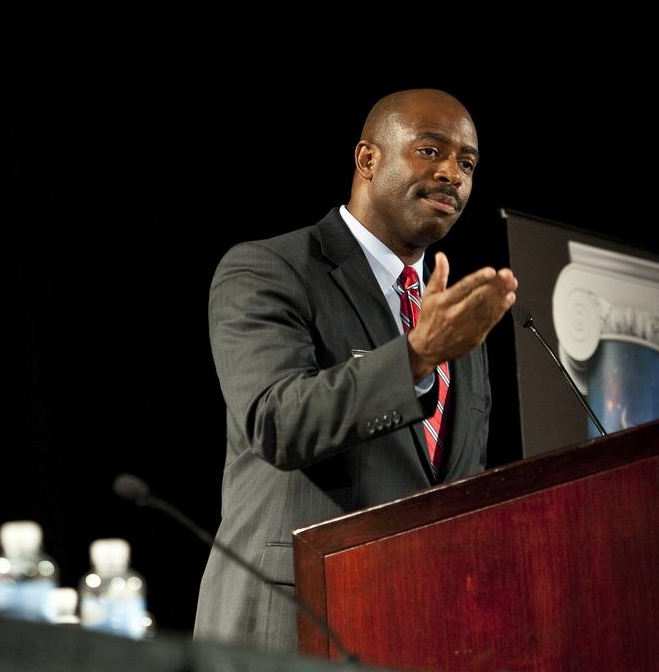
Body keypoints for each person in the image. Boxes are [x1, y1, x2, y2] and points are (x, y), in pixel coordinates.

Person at [194, 89, 518, 653]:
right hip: (293, 622)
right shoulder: (269, 269)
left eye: (466, 164)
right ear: (368, 159)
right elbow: (278, 422)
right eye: (430, 151)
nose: (452, 174)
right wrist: (415, 356)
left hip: (421, 628)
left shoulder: (451, 316)